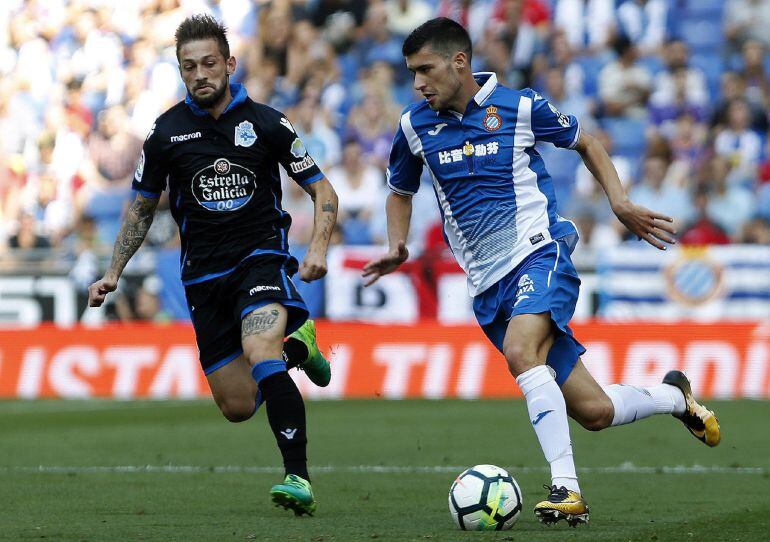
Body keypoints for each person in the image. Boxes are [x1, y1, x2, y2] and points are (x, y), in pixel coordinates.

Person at [363, 17, 721, 527]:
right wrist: (397, 245)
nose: (418, 83)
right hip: (487, 286)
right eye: (412, 74)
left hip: (540, 252)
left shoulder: (520, 106)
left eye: (425, 70)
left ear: (458, 62)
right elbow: (399, 190)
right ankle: (674, 396)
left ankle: (566, 489)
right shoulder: (413, 125)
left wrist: (619, 202)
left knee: (519, 351)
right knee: (595, 412)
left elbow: (588, 143)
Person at [87, 15, 338, 517]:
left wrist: (318, 249)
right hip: (203, 277)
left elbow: (322, 189)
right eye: (188, 67)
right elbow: (140, 206)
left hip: (260, 259)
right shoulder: (166, 132)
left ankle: (299, 477)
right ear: (180, 72)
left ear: (229, 63)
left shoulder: (267, 121)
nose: (199, 74)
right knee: (238, 405)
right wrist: (113, 271)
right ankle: (298, 348)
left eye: (208, 63)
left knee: (258, 347)